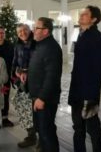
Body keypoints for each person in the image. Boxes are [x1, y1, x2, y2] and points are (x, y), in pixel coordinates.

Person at [68, 5, 101, 152]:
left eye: (85, 14)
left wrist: (91, 97)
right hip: (77, 92)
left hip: (88, 94)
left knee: (92, 129)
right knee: (78, 128)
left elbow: (98, 71)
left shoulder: (99, 40)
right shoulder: (82, 35)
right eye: (81, 13)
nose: (81, 16)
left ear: (94, 19)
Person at [27, 17, 63, 152]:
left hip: (45, 99)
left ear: (46, 31)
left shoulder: (51, 48)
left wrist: (42, 98)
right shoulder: (41, 44)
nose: (33, 30)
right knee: (42, 131)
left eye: (37, 28)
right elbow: (40, 68)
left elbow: (51, 76)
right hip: (37, 96)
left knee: (46, 132)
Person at [11, 24, 37, 148]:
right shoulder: (18, 45)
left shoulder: (37, 43)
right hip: (22, 83)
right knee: (24, 108)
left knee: (35, 110)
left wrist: (26, 72)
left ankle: (41, 138)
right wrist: (16, 73)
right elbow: (15, 61)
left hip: (35, 82)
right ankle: (31, 135)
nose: (23, 33)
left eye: (25, 30)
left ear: (30, 30)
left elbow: (38, 63)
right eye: (20, 31)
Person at [0, 27, 15, 127]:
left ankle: (5, 119)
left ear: (4, 34)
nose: (0, 35)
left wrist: (13, 74)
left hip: (5, 78)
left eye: (2, 33)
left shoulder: (10, 46)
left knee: (5, 97)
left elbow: (13, 61)